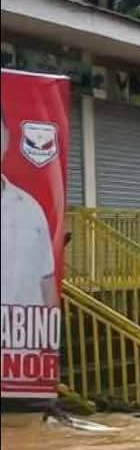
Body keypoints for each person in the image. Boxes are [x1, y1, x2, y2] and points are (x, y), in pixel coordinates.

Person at [1, 103, 58, 307]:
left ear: (6, 138)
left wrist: (51, 337)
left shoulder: (30, 208)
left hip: (24, 334)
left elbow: (47, 282)